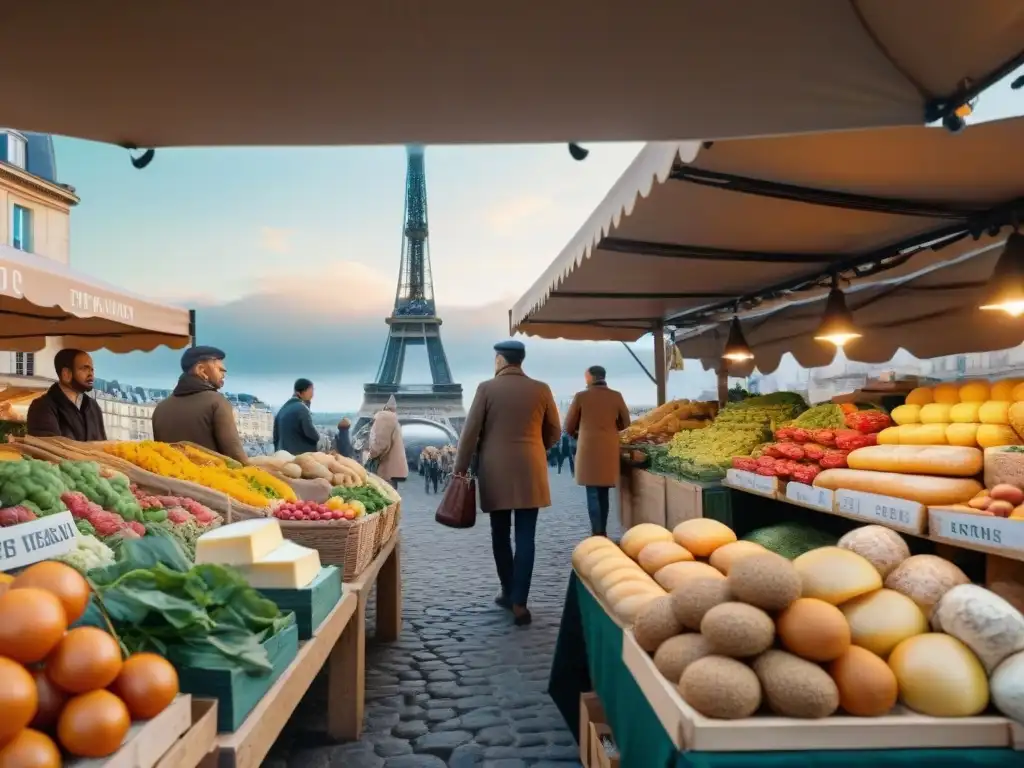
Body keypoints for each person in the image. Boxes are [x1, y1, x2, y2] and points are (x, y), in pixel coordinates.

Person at [453, 339, 561, 626]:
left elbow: (469, 434)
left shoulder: (486, 388)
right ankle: (520, 602)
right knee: (527, 536)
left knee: (500, 533)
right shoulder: (541, 389)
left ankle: (506, 589)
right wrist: (537, 448)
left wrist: (460, 469)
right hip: (531, 469)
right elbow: (555, 431)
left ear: (500, 360)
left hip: (496, 470)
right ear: (521, 360)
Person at [564, 365, 631, 536]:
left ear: (589, 378)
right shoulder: (616, 396)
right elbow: (626, 424)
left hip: (588, 449)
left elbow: (568, 426)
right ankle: (602, 531)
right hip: (609, 447)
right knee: (603, 491)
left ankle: (597, 532)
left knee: (592, 491)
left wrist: (580, 434)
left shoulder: (581, 397)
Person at [152, 346, 248, 464]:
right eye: (220, 370)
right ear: (201, 370)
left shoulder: (161, 408)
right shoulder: (217, 402)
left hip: (171, 478)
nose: (224, 374)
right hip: (211, 479)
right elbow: (235, 455)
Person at [26, 349, 107, 441]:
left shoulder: (93, 407)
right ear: (66, 374)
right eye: (85, 369)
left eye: (92, 370)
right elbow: (50, 450)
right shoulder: (42, 407)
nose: (91, 374)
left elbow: (104, 445)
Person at [368, 395, 408, 487]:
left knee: (385, 495)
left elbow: (380, 443)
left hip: (385, 467)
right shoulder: (393, 418)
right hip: (392, 468)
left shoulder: (385, 417)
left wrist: (371, 454)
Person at [273, 378, 320, 455]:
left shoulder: (282, 410)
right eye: (311, 390)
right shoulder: (301, 408)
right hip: (300, 455)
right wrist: (319, 437)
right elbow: (311, 433)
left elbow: (275, 437)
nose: (312, 394)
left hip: (283, 454)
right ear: (302, 392)